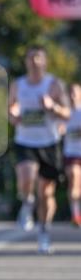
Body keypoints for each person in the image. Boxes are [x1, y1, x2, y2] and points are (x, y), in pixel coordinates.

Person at [8, 45, 69, 254]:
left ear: (45, 61)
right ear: (25, 61)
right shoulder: (18, 85)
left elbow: (68, 113)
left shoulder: (53, 84)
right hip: (25, 141)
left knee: (46, 193)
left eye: (38, 58)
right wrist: (14, 115)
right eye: (30, 58)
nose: (34, 62)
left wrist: (52, 106)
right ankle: (27, 202)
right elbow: (11, 108)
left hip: (50, 143)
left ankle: (44, 231)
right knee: (26, 176)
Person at [63, 81, 81, 227]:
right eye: (70, 93)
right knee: (74, 179)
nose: (72, 95)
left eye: (75, 92)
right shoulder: (65, 113)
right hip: (71, 154)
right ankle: (75, 214)